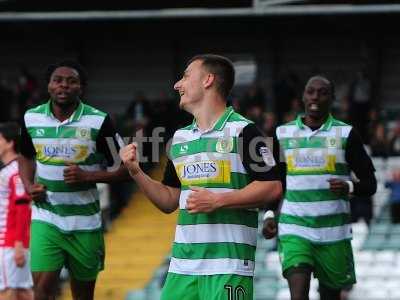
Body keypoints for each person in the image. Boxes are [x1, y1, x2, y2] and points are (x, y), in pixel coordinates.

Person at [120, 54, 283, 300]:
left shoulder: (244, 131)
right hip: (182, 268)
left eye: (185, 76)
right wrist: (135, 171)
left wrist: (219, 201)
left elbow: (272, 187)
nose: (177, 85)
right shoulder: (180, 139)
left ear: (208, 80)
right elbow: (168, 199)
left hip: (228, 267)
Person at [18, 60, 128, 300]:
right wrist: (29, 186)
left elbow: (125, 169)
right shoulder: (31, 118)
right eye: (58, 80)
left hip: (85, 223)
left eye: (71, 81)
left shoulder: (98, 121)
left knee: (82, 296)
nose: (64, 85)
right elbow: (25, 156)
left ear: (81, 88)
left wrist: (88, 176)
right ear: (48, 86)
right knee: (42, 291)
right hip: (46, 216)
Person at [263, 75, 377, 300]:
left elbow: (370, 184)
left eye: (322, 92)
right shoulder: (280, 133)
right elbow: (273, 180)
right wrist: (269, 214)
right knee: (298, 294)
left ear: (332, 98)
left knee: (330, 296)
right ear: (303, 96)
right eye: (310, 91)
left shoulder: (347, 134)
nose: (315, 96)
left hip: (334, 233)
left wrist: (349, 186)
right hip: (294, 227)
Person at [0, 122, 33, 300]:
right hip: (15, 242)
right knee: (23, 292)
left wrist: (18, 244)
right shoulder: (14, 169)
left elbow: (22, 208)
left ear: (10, 143)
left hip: (10, 243)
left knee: (7, 292)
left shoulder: (14, 171)